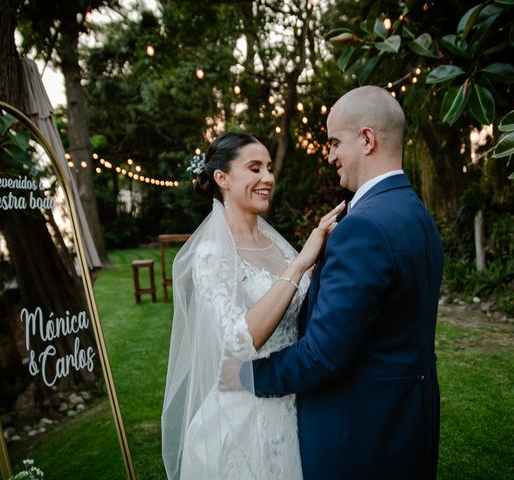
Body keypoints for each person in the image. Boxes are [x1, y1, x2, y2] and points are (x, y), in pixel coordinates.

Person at [250, 86, 445, 479]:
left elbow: (322, 356)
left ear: (368, 139)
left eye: (335, 142)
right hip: (408, 424)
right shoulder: (416, 213)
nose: (330, 155)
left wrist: (245, 376)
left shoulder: (365, 227)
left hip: (358, 438)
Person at [161, 132, 345, 480]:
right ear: (222, 178)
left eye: (270, 169)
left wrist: (323, 262)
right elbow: (239, 341)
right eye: (255, 168)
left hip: (296, 398)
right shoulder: (213, 254)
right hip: (247, 411)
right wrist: (300, 264)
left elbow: (301, 306)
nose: (268, 178)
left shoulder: (278, 245)